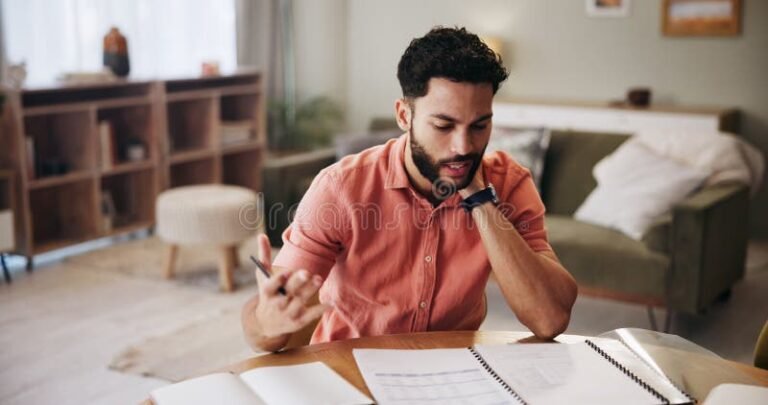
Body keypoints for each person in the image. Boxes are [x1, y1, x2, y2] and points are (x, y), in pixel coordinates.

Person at [242, 26, 577, 352]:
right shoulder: (341, 188)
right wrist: (266, 322)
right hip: (352, 370)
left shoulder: (510, 183)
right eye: (444, 125)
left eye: (479, 125)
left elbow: (549, 319)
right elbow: (270, 319)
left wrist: (478, 196)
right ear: (404, 115)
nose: (463, 146)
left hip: (453, 372)